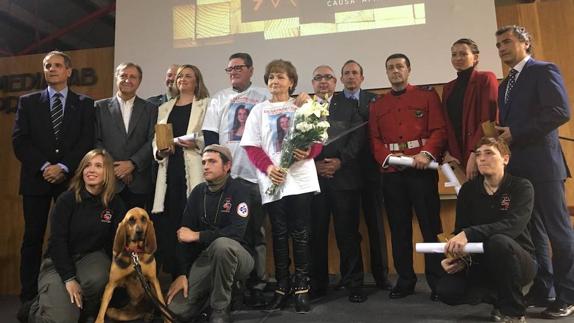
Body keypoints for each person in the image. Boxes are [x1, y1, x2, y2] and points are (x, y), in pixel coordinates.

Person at [495, 25, 574, 318]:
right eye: (498, 44)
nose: (501, 48)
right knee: (534, 235)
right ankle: (545, 289)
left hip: (545, 166)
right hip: (518, 169)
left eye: (507, 42)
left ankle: (568, 294)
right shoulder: (504, 85)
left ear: (525, 42)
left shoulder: (544, 70)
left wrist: (515, 133)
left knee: (559, 231)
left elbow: (559, 111)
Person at [12, 50, 95, 306]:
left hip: (69, 181)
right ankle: (28, 297)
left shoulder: (84, 103)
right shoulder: (28, 101)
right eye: (48, 65)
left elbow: (86, 141)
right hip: (36, 180)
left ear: (68, 71)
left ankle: (69, 295)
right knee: (33, 238)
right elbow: (20, 141)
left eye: (57, 65)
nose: (51, 69)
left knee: (70, 237)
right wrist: (46, 166)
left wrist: (64, 166)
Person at [241, 59, 321, 313]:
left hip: (300, 180)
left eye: (281, 77)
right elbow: (252, 146)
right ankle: (282, 287)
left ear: (292, 82)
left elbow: (318, 139)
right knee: (278, 233)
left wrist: (307, 151)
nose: (275, 81)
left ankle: (302, 288)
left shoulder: (303, 106)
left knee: (300, 233)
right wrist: (268, 168)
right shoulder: (258, 110)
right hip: (273, 180)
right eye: (271, 77)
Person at [369, 53, 447, 301]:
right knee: (399, 228)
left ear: (408, 69)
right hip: (392, 173)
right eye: (390, 67)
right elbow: (375, 139)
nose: (395, 71)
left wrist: (426, 154)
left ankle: (437, 281)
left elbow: (439, 130)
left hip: (421, 170)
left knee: (430, 227)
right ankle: (405, 280)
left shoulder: (426, 95)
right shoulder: (377, 105)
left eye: (399, 67)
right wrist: (390, 160)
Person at [436, 137, 537, 323]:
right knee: (445, 290)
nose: (481, 158)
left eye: (489, 153)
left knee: (499, 241)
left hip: (519, 261)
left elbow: (512, 226)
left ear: (505, 159)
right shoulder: (468, 190)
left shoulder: (522, 187)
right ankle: (498, 297)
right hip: (479, 261)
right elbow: (460, 229)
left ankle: (514, 311)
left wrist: (469, 234)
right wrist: (459, 258)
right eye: (478, 154)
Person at [24, 149, 126, 323]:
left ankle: (78, 307)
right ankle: (36, 308)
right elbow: (58, 242)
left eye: (98, 166)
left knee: (101, 274)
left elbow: (116, 244)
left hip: (90, 260)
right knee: (62, 320)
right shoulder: (66, 200)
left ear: (107, 172)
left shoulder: (115, 204)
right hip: (58, 263)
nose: (91, 170)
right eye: (87, 165)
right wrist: (69, 278)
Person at [202, 53, 270, 308]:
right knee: (229, 234)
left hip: (256, 176)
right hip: (229, 179)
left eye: (239, 68)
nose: (233, 72)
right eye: (229, 68)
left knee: (257, 233)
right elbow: (210, 135)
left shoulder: (264, 95)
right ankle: (231, 286)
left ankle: (258, 285)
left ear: (251, 70)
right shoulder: (219, 98)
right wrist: (217, 170)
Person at [167, 145, 254, 323]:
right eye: (204, 162)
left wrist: (198, 236)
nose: (206, 166)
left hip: (238, 256)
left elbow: (236, 233)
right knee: (176, 309)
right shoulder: (198, 192)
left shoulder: (239, 190)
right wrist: (182, 273)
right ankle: (208, 299)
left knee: (222, 245)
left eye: (212, 162)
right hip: (206, 258)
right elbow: (183, 235)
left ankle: (220, 309)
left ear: (227, 166)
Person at [309, 65, 366, 303]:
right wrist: (315, 165)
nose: (323, 82)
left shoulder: (349, 105)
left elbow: (358, 137)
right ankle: (318, 285)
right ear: (313, 83)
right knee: (316, 235)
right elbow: (294, 140)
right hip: (313, 181)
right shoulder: (303, 108)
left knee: (348, 234)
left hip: (344, 179)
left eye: (328, 78)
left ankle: (354, 284)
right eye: (318, 78)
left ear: (336, 82)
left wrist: (340, 162)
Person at [151, 64, 210, 279]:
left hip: (194, 170)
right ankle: (176, 275)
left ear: (197, 80)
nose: (183, 79)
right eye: (179, 76)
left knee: (192, 220)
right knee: (170, 222)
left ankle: (194, 276)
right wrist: (160, 150)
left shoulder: (205, 104)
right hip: (169, 171)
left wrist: (190, 141)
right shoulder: (164, 108)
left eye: (188, 76)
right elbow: (156, 139)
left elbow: (209, 137)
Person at [340, 59, 392, 290]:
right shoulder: (334, 102)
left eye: (355, 73)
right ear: (341, 79)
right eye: (346, 73)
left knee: (376, 227)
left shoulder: (374, 100)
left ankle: (382, 277)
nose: (351, 77)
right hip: (344, 174)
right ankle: (351, 278)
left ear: (362, 77)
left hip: (372, 172)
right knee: (347, 229)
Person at [95, 62, 157, 209]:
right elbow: (96, 140)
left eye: (132, 77)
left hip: (138, 182)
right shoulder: (99, 107)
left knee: (135, 231)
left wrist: (132, 164)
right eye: (123, 75)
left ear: (139, 81)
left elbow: (152, 140)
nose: (127, 80)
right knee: (106, 229)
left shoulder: (151, 109)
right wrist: (115, 168)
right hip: (108, 180)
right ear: (116, 77)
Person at [442, 38, 498, 179]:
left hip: (481, 152)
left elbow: (488, 120)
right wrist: (448, 153)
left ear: (476, 57)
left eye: (463, 54)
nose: (458, 58)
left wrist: (476, 153)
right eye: (454, 54)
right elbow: (447, 124)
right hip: (457, 156)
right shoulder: (448, 88)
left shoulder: (485, 78)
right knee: (467, 199)